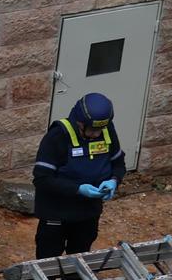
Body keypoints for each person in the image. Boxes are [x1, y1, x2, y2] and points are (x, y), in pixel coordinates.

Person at [32, 92, 126, 260]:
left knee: (79, 263)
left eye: (100, 129)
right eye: (92, 130)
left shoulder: (106, 131)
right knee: (49, 264)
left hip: (87, 214)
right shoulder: (58, 136)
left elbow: (118, 164)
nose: (97, 134)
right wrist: (78, 189)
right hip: (56, 214)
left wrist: (113, 181)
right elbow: (42, 179)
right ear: (80, 123)